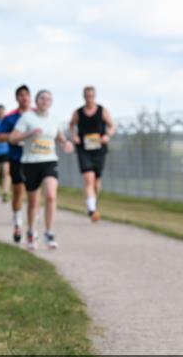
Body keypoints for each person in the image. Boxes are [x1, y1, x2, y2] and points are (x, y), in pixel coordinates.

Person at [9, 90, 73, 250]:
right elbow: (12, 138)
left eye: (49, 99)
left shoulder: (55, 119)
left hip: (49, 161)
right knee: (33, 201)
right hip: (30, 162)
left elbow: (59, 137)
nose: (45, 101)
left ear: (51, 102)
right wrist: (29, 133)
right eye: (42, 98)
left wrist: (65, 143)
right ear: (36, 101)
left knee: (51, 195)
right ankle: (31, 233)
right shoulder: (27, 118)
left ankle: (49, 233)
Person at [0, 85, 31, 242]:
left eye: (26, 95)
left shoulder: (36, 114)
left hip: (35, 158)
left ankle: (32, 226)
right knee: (19, 191)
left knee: (34, 193)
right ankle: (18, 222)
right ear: (16, 98)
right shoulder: (10, 117)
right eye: (20, 95)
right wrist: (15, 137)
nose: (24, 98)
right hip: (16, 158)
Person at [69, 85, 116, 221]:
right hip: (84, 149)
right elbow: (71, 125)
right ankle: (91, 209)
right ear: (84, 97)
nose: (89, 98)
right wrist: (74, 136)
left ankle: (93, 202)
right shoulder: (78, 112)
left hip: (99, 149)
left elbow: (112, 126)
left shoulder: (102, 111)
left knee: (96, 182)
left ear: (94, 96)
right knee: (88, 178)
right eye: (87, 96)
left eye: (91, 96)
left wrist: (107, 135)